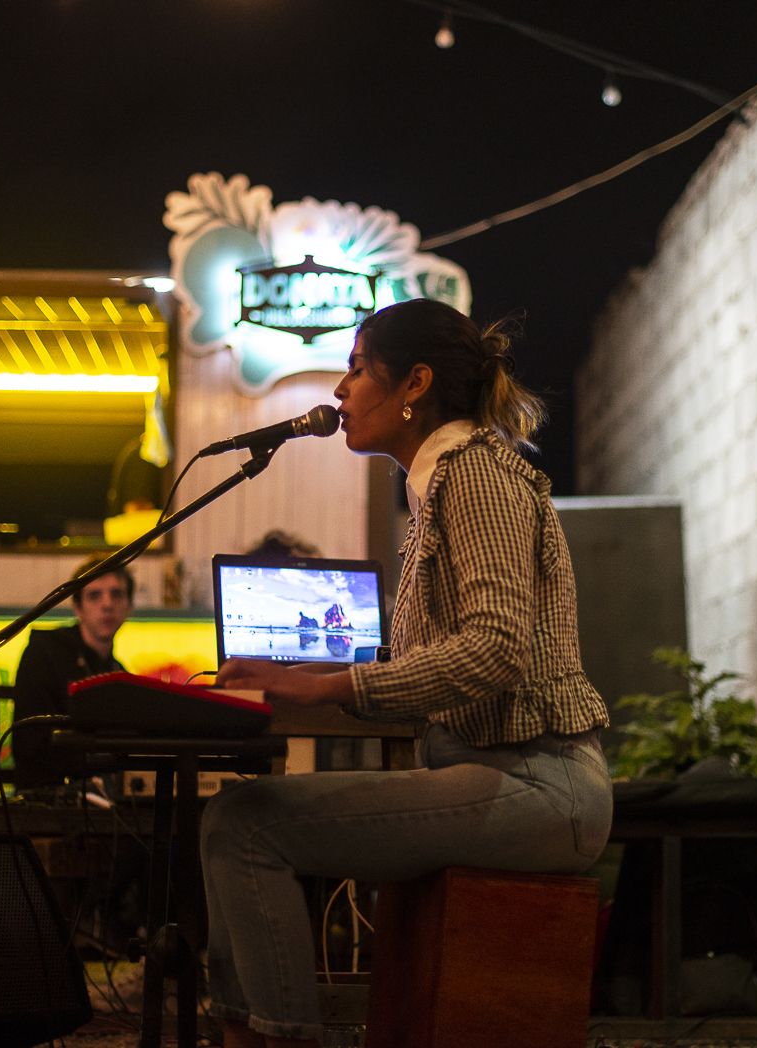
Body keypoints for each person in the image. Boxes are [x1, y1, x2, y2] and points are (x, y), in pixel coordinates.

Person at [205, 298, 613, 1047]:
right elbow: (446, 659)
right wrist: (305, 674)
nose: (339, 390)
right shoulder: (439, 485)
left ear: (415, 384)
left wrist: (326, 685)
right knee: (235, 817)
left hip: (542, 785)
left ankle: (278, 1039)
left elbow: (494, 649)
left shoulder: (477, 476)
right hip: (502, 776)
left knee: (246, 824)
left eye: (358, 369)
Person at [11, 555, 134, 789]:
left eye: (117, 594)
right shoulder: (44, 652)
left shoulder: (121, 675)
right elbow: (30, 744)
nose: (107, 604)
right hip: (48, 795)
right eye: (94, 595)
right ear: (78, 608)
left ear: (129, 606)